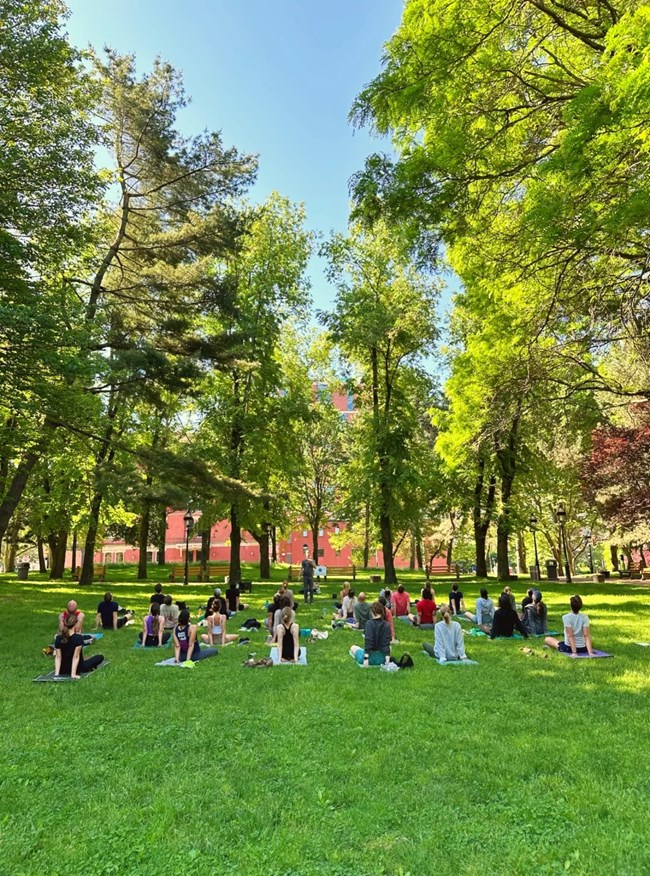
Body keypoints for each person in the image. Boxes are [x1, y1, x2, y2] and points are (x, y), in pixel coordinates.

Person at [54, 614, 105, 678]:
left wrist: (56, 674)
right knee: (100, 657)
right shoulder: (78, 638)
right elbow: (75, 657)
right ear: (75, 624)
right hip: (79, 668)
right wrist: (73, 674)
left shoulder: (58, 638)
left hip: (63, 669)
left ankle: (85, 659)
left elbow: (58, 657)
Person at [349, 601, 392, 666]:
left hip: (369, 658)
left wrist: (366, 659)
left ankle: (362, 652)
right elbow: (386, 644)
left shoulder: (369, 624)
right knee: (390, 647)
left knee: (353, 647)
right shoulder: (387, 625)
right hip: (382, 659)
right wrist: (387, 661)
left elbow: (368, 641)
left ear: (372, 612)